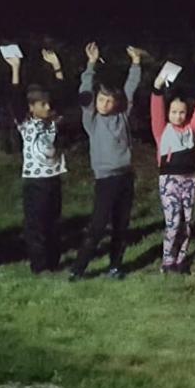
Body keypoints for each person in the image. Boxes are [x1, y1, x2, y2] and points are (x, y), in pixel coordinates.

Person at [70, 42, 142, 281]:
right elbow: (85, 94)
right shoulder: (92, 120)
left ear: (117, 103)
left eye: (110, 101)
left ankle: (115, 266)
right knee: (98, 225)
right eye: (101, 99)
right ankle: (78, 269)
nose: (105, 104)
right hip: (105, 180)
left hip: (125, 178)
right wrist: (91, 64)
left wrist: (136, 63)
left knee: (121, 226)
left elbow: (130, 88)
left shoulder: (122, 117)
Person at [5, 49, 69, 274]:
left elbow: (61, 95)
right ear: (31, 107)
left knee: (53, 222)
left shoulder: (53, 122)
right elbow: (15, 99)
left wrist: (57, 67)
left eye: (48, 104)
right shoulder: (26, 123)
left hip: (53, 178)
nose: (48, 108)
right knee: (36, 224)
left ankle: (53, 262)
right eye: (42, 105)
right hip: (35, 181)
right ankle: (39, 265)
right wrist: (15, 68)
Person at [150, 66, 195, 274]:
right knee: (173, 221)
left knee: (186, 222)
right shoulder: (161, 130)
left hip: (189, 180)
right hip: (169, 181)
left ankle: (181, 259)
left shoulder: (190, 130)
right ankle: (167, 261)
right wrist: (157, 89)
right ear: (168, 113)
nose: (178, 116)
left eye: (182, 112)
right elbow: (156, 109)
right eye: (174, 112)